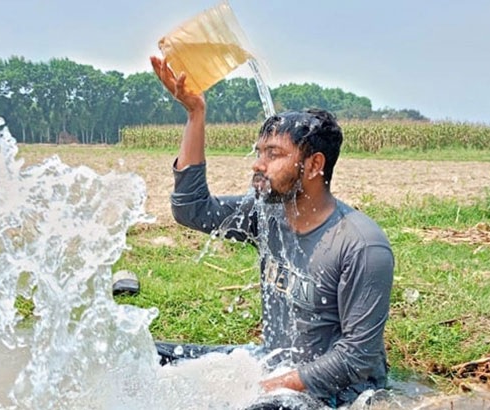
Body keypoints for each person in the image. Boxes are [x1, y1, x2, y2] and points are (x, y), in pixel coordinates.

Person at [149, 55, 395, 408]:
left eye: (273, 154)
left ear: (313, 165)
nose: (258, 163)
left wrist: (266, 387)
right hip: (272, 362)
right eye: (259, 151)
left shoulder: (360, 245)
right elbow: (191, 210)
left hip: (338, 393)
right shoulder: (265, 214)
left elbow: (357, 357)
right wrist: (195, 114)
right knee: (151, 355)